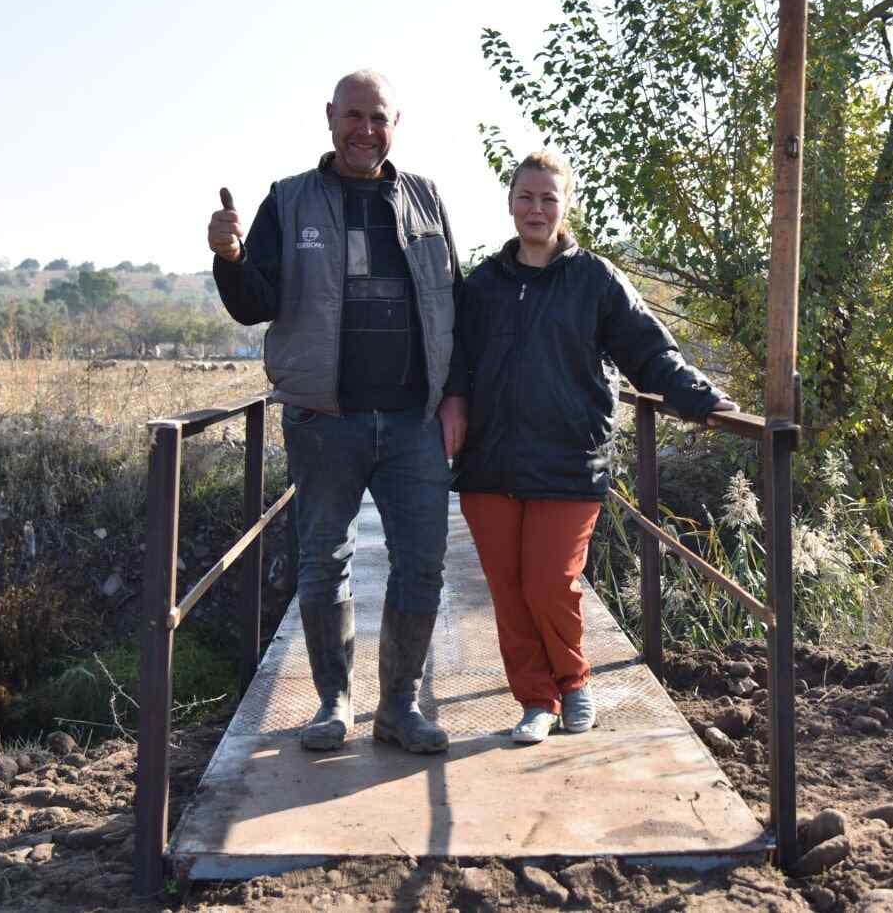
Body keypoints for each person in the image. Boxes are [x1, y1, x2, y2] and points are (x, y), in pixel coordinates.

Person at [207, 69, 468, 755]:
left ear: (395, 123)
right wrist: (230, 256)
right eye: (354, 116)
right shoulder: (290, 201)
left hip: (414, 420)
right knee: (323, 562)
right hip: (326, 420)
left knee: (424, 563)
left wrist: (457, 398)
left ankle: (400, 708)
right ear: (330, 117)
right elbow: (253, 301)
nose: (365, 129)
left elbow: (455, 305)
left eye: (378, 118)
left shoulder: (425, 198)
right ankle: (334, 703)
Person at [451, 150, 735, 744]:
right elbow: (452, 362)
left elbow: (647, 351)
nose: (536, 209)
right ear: (509, 204)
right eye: (525, 197)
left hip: (568, 460)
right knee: (508, 591)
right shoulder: (481, 285)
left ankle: (575, 685)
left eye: (548, 198)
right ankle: (536, 701)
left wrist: (697, 395)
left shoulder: (594, 279)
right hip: (490, 463)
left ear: (566, 206)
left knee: (551, 582)